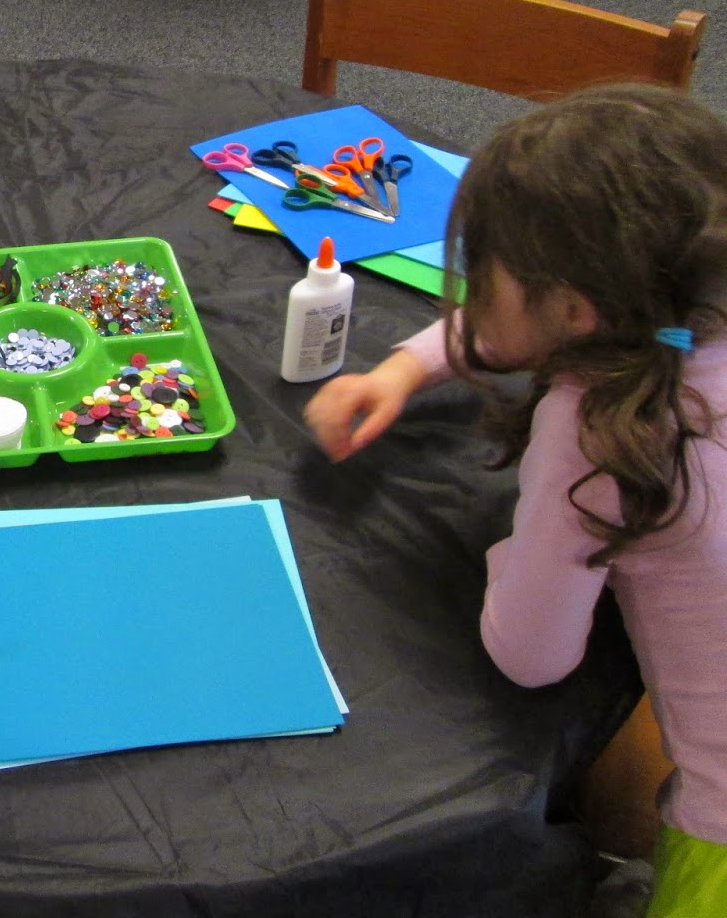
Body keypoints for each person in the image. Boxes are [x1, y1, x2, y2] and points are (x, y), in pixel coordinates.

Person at [303, 84, 727, 917]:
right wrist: (406, 367)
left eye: (483, 272)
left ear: (575, 310)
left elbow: (532, 655)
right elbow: (517, 328)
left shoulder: (595, 429)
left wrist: (516, 546)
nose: (470, 287)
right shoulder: (683, 315)